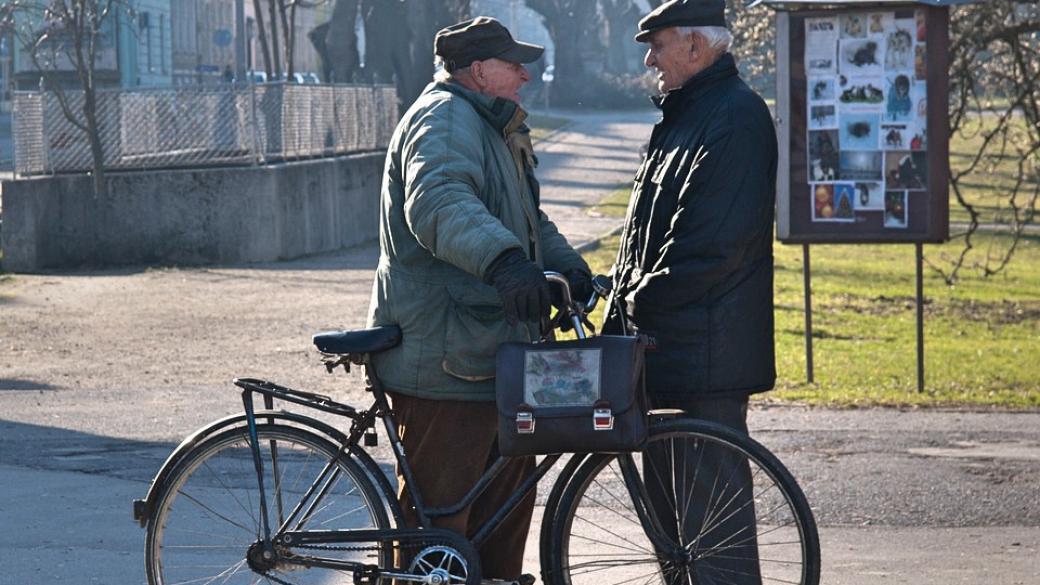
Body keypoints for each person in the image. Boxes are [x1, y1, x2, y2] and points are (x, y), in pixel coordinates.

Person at [365, 16, 591, 581]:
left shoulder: (491, 124)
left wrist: (566, 267)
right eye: (514, 64)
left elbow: (526, 218)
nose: (525, 75)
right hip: (446, 360)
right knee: (439, 529)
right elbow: (438, 203)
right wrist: (505, 262)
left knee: (503, 517)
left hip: (492, 354)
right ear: (477, 71)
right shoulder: (443, 120)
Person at [604, 1, 777, 583]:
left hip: (705, 358)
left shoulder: (735, 119)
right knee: (677, 542)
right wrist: (620, 291)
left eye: (657, 45)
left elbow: (710, 246)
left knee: (713, 545)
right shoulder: (687, 115)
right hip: (669, 353)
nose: (650, 59)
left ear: (696, 47)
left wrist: (635, 299)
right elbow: (647, 237)